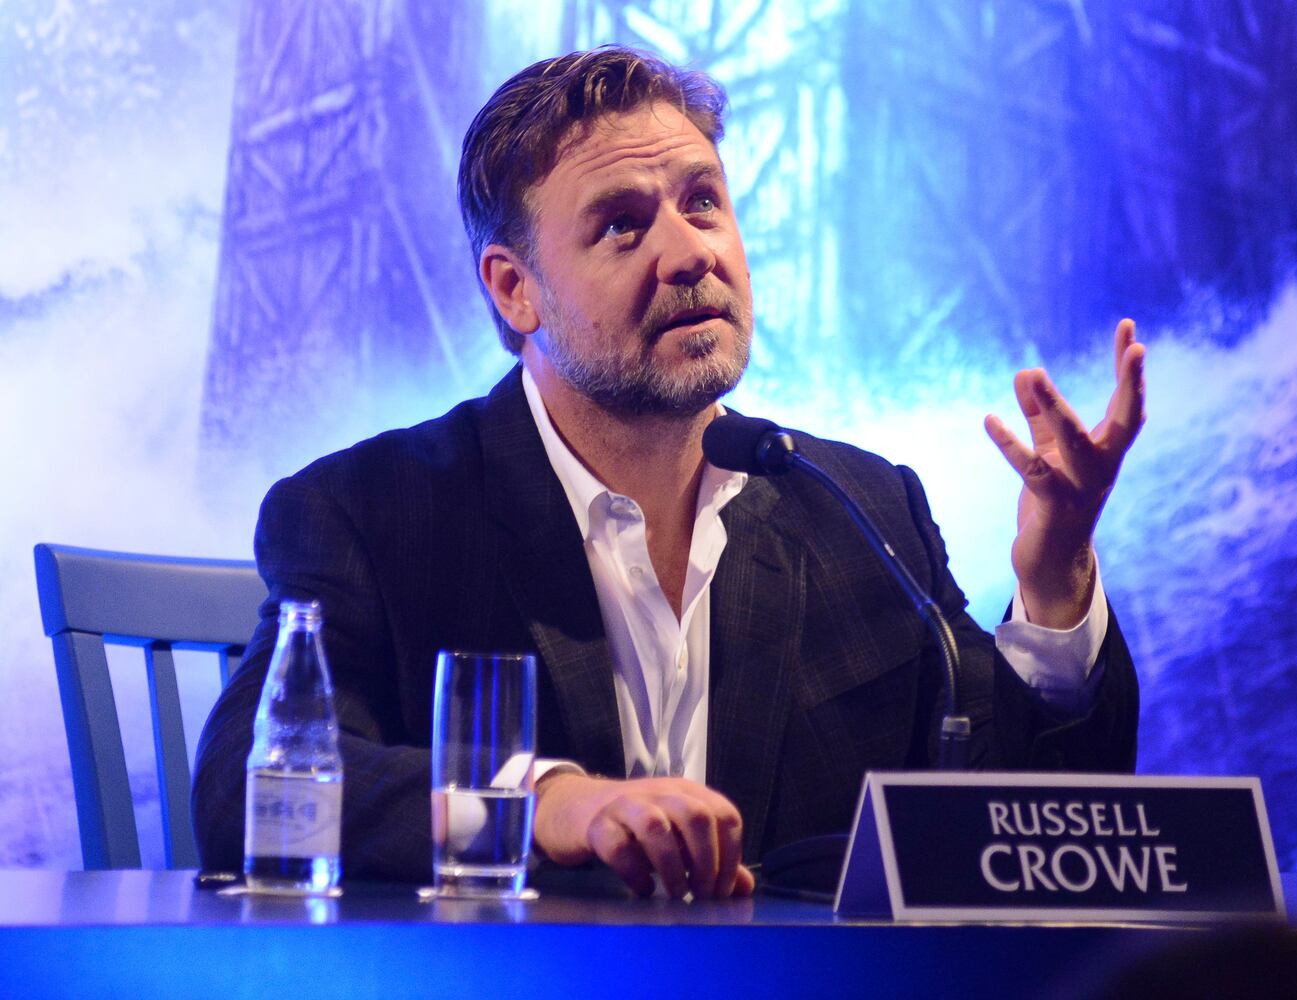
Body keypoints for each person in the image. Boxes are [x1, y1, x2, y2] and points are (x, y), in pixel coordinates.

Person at [192, 45, 1147, 900]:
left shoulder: (863, 507)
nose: (691, 253)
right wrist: (546, 804)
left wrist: (1055, 576)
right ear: (515, 290)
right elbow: (248, 790)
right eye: (621, 225)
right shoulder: (372, 515)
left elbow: (1030, 833)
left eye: (703, 203)